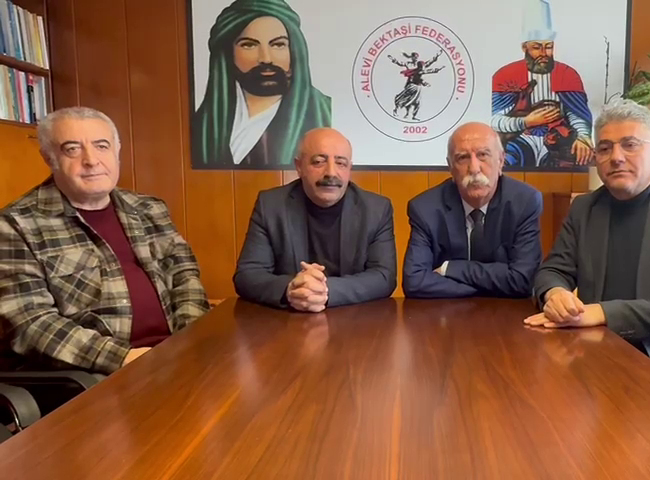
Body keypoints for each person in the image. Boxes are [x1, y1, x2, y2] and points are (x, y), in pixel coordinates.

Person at [0, 107, 209, 375]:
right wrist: (125, 358)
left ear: (116, 152)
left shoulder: (149, 208)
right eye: (72, 149)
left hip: (175, 356)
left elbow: (185, 277)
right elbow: (30, 322)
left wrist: (189, 340)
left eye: (101, 146)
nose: (91, 160)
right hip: (98, 374)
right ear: (49, 158)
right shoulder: (15, 225)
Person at [525, 100, 650, 367]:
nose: (616, 157)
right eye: (605, 148)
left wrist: (602, 313)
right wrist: (555, 294)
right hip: (590, 351)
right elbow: (553, 269)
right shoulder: (585, 208)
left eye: (630, 145)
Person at [233, 127, 396, 311]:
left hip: (352, 317)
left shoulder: (376, 209)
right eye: (318, 162)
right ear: (299, 166)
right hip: (287, 318)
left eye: (341, 163)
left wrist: (325, 290)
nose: (331, 173)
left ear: (350, 168)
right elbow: (248, 275)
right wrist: (291, 288)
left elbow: (384, 277)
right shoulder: (271, 205)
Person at [402, 122, 543, 298]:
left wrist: (451, 268)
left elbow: (523, 279)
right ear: (451, 167)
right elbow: (414, 282)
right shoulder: (426, 208)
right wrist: (489, 288)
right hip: (446, 312)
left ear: (501, 161)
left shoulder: (524, 202)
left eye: (483, 155)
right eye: (463, 158)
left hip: (507, 312)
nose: (474, 169)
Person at [192, 0, 331, 168]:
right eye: (249, 45)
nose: (266, 58)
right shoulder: (203, 124)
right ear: (228, 53)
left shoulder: (324, 112)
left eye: (278, 45)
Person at [491, 0, 593, 169]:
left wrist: (582, 136)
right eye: (537, 47)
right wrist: (527, 121)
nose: (544, 53)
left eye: (549, 47)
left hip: (559, 141)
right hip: (519, 139)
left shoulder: (568, 74)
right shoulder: (505, 75)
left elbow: (576, 114)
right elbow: (495, 120)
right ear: (525, 48)